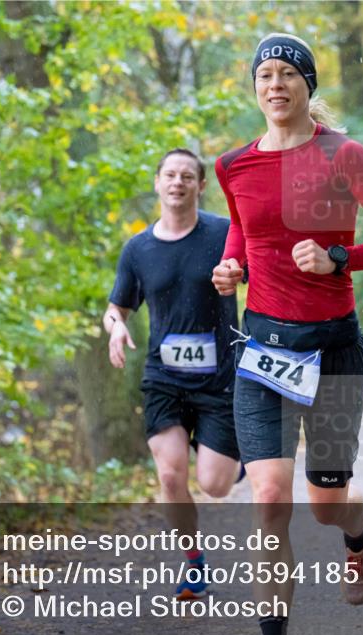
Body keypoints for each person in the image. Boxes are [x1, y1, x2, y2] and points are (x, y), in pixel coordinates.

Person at [211, 32, 363, 635]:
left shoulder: (344, 155)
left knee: (327, 504)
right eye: (264, 75)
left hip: (332, 352)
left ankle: (360, 532)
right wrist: (229, 266)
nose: (274, 84)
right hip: (264, 352)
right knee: (269, 498)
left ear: (308, 86)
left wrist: (339, 259)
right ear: (255, 88)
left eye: (286, 75)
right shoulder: (233, 165)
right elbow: (245, 231)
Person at [104, 148, 242, 601]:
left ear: (201, 185)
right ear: (158, 182)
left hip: (220, 377)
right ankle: (194, 563)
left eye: (187, 176)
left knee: (215, 485)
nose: (178, 182)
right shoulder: (138, 248)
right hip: (164, 377)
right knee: (168, 476)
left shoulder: (224, 232)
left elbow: (255, 276)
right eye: (170, 174)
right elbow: (115, 308)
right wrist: (116, 327)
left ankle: (225, 458)